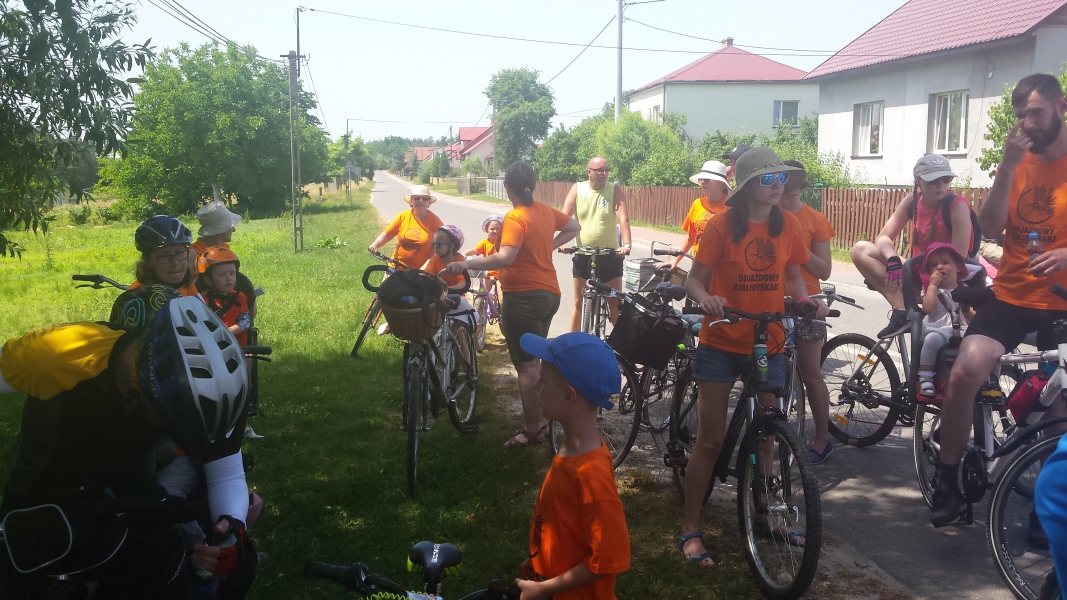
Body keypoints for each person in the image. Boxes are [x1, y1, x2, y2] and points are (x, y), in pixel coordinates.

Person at [0, 297, 254, 599]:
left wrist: (232, 527)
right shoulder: (63, 352)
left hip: (136, 506)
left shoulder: (211, 392)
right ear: (139, 379)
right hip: (43, 510)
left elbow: (226, 473)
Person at [678, 147, 827, 566]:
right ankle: (690, 528)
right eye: (768, 179)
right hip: (722, 340)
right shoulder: (722, 225)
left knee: (768, 435)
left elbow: (794, 277)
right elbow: (694, 280)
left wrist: (807, 301)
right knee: (710, 439)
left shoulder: (789, 224)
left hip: (768, 341)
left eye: (781, 178)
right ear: (746, 186)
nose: (779, 185)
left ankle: (769, 516)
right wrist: (707, 299)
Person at [930, 73, 1067, 527]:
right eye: (1021, 116)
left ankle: (1049, 509)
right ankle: (947, 481)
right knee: (966, 371)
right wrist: (1006, 167)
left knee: (1059, 406)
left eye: (1036, 113)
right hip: (1010, 296)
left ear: (1061, 107)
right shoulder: (1018, 161)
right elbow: (988, 228)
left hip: (1061, 302)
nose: (1028, 123)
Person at [444, 162, 580, 447]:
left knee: (526, 366)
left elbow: (505, 257)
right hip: (549, 295)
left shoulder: (516, 218)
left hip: (524, 297)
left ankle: (533, 430)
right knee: (535, 361)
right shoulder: (544, 211)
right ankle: (544, 418)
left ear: (507, 187)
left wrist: (466, 263)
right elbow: (574, 226)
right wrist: (549, 246)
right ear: (534, 184)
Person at [514, 332, 630, 600]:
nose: (536, 387)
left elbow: (608, 559)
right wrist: (538, 560)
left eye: (543, 381)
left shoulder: (592, 476)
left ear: (569, 396)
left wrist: (545, 589)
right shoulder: (572, 451)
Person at [850, 153, 974, 338]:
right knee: (860, 249)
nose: (941, 184)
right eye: (933, 180)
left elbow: (959, 262)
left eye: (946, 179)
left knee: (931, 346)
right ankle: (902, 311)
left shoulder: (957, 206)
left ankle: (910, 312)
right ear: (918, 181)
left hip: (944, 282)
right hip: (919, 274)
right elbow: (884, 236)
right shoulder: (913, 200)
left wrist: (931, 286)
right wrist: (892, 258)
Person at [778, 160, 836, 463]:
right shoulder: (768, 216)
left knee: (811, 374)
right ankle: (770, 435)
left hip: (809, 303)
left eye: (794, 189)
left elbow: (824, 270)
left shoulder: (815, 219)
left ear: (801, 188)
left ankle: (822, 439)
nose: (789, 195)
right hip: (772, 302)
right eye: (784, 188)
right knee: (770, 372)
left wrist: (800, 246)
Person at [559, 156, 631, 331]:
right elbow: (564, 218)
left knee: (614, 302)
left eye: (607, 170)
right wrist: (563, 243)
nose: (604, 173)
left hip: (610, 255)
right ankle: (573, 342)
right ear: (589, 172)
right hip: (583, 254)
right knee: (579, 301)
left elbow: (623, 218)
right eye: (600, 170)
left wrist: (626, 244)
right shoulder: (578, 189)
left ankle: (619, 344)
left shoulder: (613, 189)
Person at [917, 243, 979, 397]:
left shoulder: (967, 290)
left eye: (945, 263)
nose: (939, 267)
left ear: (958, 267)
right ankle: (925, 376)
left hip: (964, 329)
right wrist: (932, 286)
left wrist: (966, 310)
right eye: (934, 265)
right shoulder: (931, 290)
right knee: (931, 340)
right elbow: (928, 310)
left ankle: (987, 380)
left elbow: (974, 319)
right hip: (939, 329)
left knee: (985, 343)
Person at [662, 160, 731, 273]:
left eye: (707, 179)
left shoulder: (731, 207)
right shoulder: (697, 203)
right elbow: (691, 237)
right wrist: (676, 260)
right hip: (697, 264)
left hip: (721, 268)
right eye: (701, 179)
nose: (703, 182)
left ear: (721, 183)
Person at [368, 184, 444, 270]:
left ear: (429, 202)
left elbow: (441, 247)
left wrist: (428, 265)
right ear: (411, 201)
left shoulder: (436, 222)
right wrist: (375, 245)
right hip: (396, 265)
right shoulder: (403, 216)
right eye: (417, 198)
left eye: (424, 198)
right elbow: (388, 234)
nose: (421, 200)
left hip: (420, 271)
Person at [127, 215, 199, 297]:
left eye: (179, 253)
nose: (175, 263)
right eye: (164, 256)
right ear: (148, 260)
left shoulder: (185, 286)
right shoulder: (139, 296)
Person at [423, 224, 478, 330]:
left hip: (456, 299)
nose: (434, 248)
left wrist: (445, 289)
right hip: (439, 298)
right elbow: (426, 276)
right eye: (433, 244)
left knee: (463, 325)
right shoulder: (435, 260)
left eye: (438, 245)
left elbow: (462, 284)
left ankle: (464, 339)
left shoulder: (459, 262)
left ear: (451, 246)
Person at [197, 246, 253, 346]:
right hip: (211, 347)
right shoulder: (201, 300)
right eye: (222, 275)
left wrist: (229, 331)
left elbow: (246, 321)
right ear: (208, 280)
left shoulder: (240, 297)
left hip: (239, 349)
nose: (229, 278)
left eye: (232, 273)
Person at [464, 214, 505, 307]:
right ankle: (480, 308)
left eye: (498, 228)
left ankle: (502, 314)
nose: (495, 231)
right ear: (487, 230)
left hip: (501, 275)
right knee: (481, 292)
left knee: (502, 300)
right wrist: (462, 255)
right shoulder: (485, 243)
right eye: (492, 229)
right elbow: (474, 250)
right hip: (487, 274)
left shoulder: (504, 242)